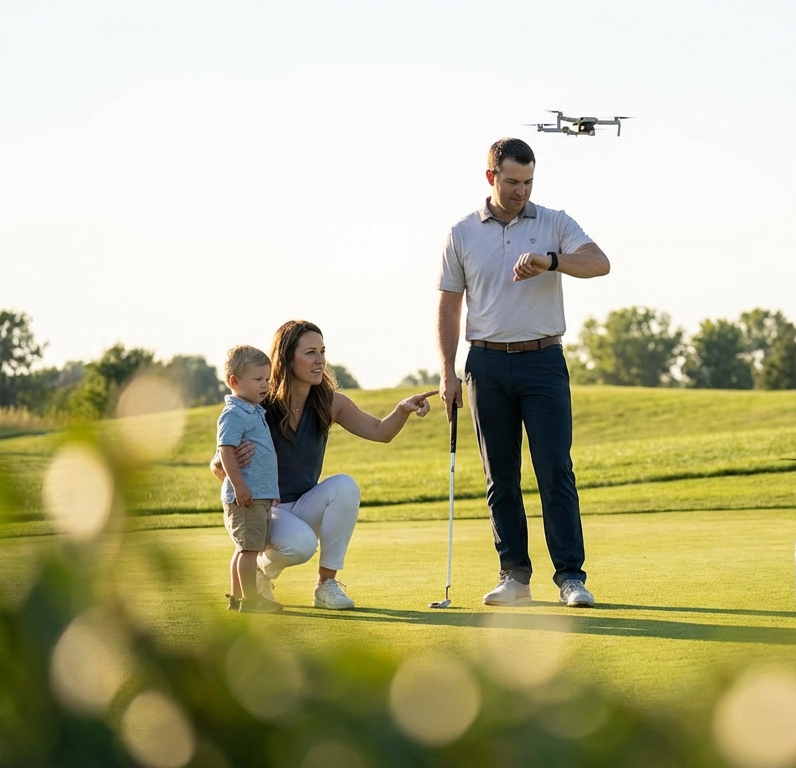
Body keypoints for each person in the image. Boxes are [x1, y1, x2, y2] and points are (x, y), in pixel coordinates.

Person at [437, 137, 610, 608]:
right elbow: (450, 304)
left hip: (543, 361)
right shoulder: (461, 233)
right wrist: (447, 373)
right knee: (502, 478)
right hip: (486, 363)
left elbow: (600, 263)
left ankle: (570, 577)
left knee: (555, 470)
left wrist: (552, 261)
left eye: (529, 182)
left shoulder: (553, 222)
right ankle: (514, 576)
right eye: (512, 181)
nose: (521, 191)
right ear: (491, 177)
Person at [213, 320, 438, 609]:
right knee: (301, 545)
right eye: (310, 352)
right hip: (266, 509)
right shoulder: (258, 401)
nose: (320, 360)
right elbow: (220, 458)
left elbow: (381, 432)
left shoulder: (331, 402)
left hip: (303, 505)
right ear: (286, 358)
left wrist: (403, 409)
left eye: (322, 351)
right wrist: (219, 463)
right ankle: (257, 572)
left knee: (344, 485)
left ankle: (326, 585)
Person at [216, 345, 283, 614]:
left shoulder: (254, 411)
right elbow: (225, 451)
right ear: (234, 382)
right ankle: (251, 599)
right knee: (248, 551)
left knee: (244, 548)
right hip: (246, 496)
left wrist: (271, 490)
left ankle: (236, 597)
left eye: (267, 379)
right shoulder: (234, 413)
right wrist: (239, 486)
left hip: (259, 494)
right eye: (258, 380)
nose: (265, 385)